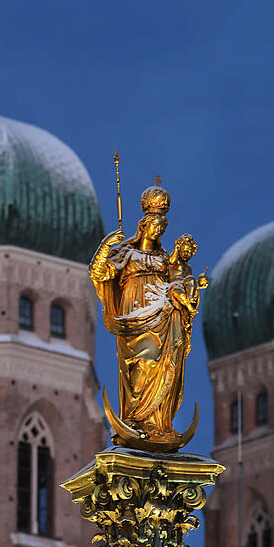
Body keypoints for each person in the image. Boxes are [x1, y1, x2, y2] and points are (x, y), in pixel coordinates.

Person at [89, 184, 202, 444]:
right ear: (144, 226)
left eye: (162, 228)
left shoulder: (165, 259)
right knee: (142, 363)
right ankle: (134, 418)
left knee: (167, 365)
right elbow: (99, 272)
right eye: (155, 226)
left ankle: (158, 424)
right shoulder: (127, 254)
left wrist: (188, 291)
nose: (158, 231)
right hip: (134, 315)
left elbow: (179, 279)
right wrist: (106, 245)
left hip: (163, 313)